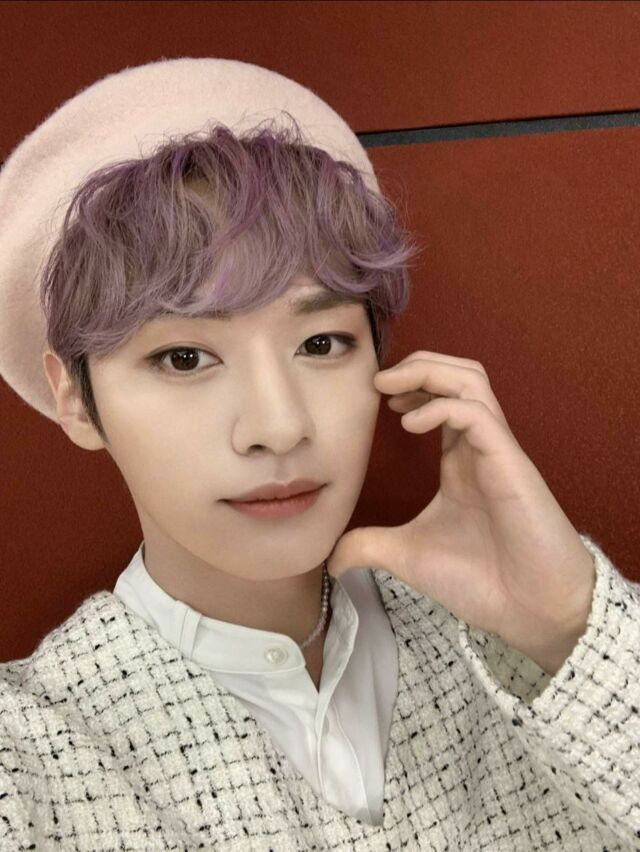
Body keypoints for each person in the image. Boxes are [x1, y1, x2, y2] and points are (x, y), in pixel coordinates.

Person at [0, 57, 638, 851]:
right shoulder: (31, 758)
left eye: (321, 342)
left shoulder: (526, 643)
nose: (278, 427)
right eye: (184, 358)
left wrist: (568, 623)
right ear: (74, 397)